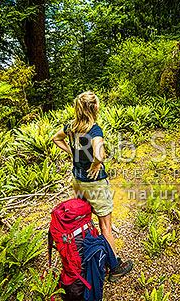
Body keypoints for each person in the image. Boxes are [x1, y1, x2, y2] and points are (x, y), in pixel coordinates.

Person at [51, 91, 133, 282]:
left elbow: (56, 138)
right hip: (94, 183)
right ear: (95, 108)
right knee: (105, 225)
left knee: (83, 219)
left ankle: (86, 257)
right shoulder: (95, 130)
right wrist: (96, 163)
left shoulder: (71, 127)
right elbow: (99, 153)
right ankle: (114, 267)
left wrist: (72, 152)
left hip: (77, 180)